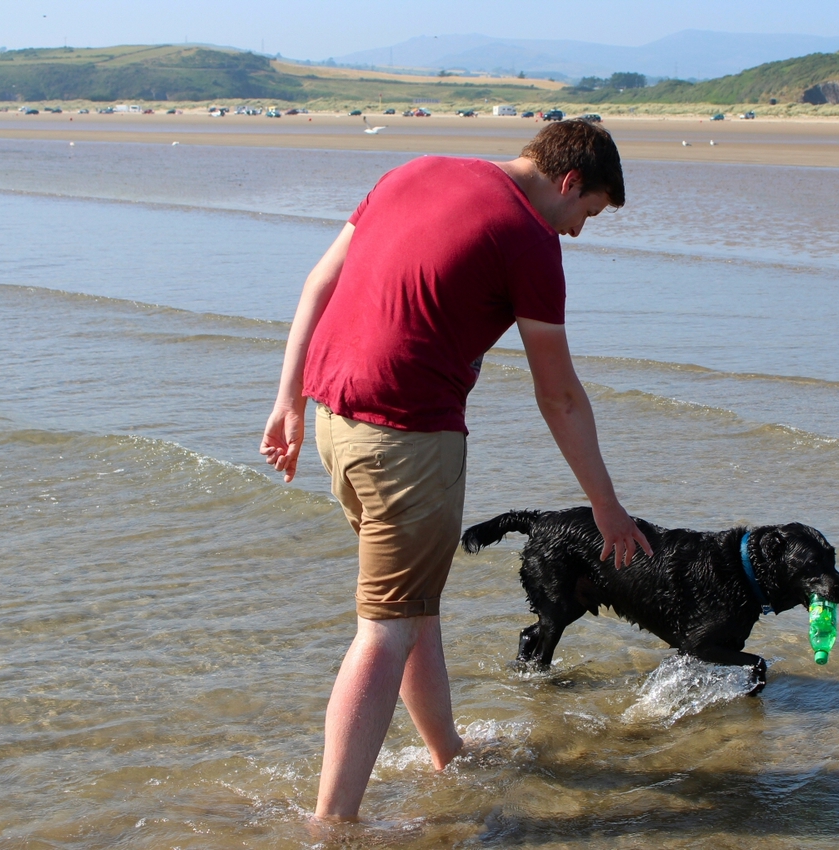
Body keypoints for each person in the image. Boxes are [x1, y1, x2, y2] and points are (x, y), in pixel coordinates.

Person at [259, 119, 653, 822]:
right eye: (587, 214)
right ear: (569, 182)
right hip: (408, 442)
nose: (576, 232)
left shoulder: (413, 171)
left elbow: (320, 281)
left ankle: (448, 753)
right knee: (385, 628)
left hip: (334, 423)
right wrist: (606, 505)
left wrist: (287, 399)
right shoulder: (529, 239)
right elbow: (559, 396)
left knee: (414, 606)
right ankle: (332, 823)